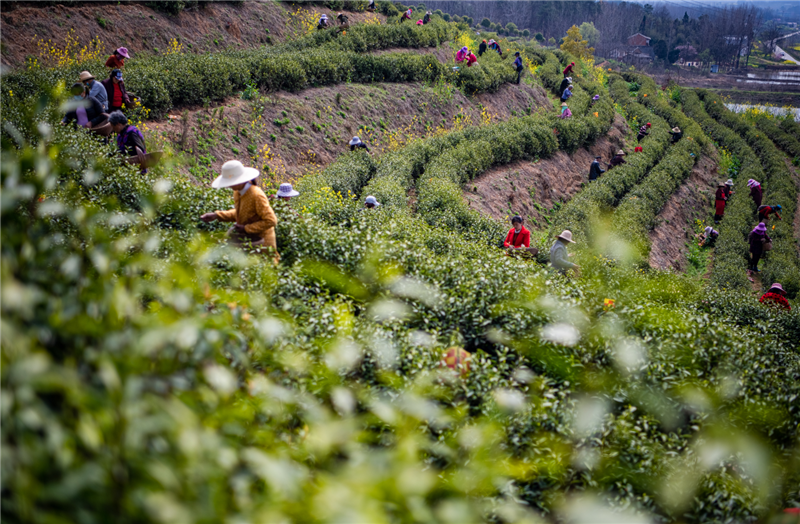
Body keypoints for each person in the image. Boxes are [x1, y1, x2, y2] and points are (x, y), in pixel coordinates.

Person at [200, 160, 279, 263]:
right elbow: (240, 212)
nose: (229, 186)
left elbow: (271, 220)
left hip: (262, 243)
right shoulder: (238, 192)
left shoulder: (256, 195)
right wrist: (216, 215)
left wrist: (246, 228)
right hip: (247, 241)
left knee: (265, 270)